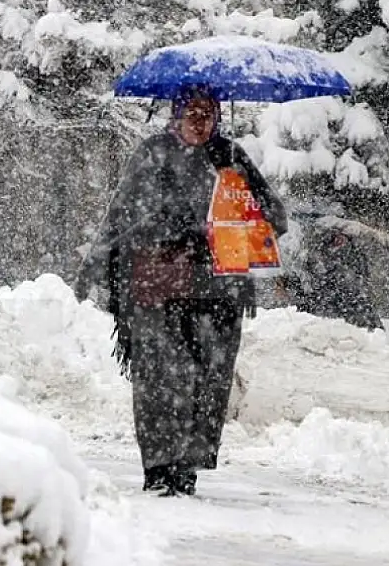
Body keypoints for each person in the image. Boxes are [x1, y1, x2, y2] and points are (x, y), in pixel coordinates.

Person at [75, 86, 287, 498]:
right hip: (157, 289)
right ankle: (159, 469)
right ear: (175, 113)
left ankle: (186, 469)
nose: (199, 120)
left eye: (207, 113)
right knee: (159, 379)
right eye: (191, 112)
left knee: (207, 383)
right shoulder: (152, 153)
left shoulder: (230, 156)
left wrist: (235, 221)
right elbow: (123, 215)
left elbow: (272, 215)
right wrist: (104, 261)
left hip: (219, 292)